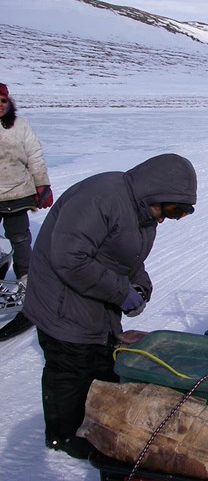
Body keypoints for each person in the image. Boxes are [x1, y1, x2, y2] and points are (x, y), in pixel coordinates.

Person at [22, 153, 197, 459]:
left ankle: (96, 423)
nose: (167, 218)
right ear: (157, 193)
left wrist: (140, 287)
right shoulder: (101, 197)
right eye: (172, 211)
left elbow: (129, 259)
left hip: (93, 301)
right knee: (69, 370)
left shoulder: (143, 213)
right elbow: (69, 259)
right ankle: (62, 436)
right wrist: (120, 292)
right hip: (62, 303)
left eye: (178, 214)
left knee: (102, 364)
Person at [0, 82, 53, 340]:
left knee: (19, 236)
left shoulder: (21, 127)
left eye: (2, 101)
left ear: (8, 102)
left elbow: (35, 155)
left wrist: (41, 183)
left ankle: (26, 277)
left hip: (17, 191)